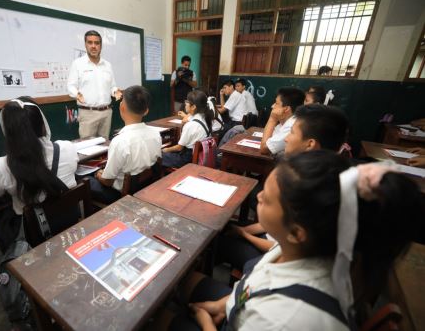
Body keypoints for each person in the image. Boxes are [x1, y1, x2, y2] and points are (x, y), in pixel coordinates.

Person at [167, 151, 422, 331]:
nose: (258, 198)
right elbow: (251, 286)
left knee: (165, 318)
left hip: (242, 319)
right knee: (177, 281)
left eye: (266, 199)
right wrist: (220, 306)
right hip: (241, 309)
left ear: (297, 232)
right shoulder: (297, 250)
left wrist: (206, 322)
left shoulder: (286, 319)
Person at [222, 104, 350, 271]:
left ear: (310, 144)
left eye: (292, 133)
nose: (286, 138)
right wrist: (243, 229)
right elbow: (278, 219)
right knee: (225, 230)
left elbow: (281, 249)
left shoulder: (314, 188)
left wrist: (244, 235)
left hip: (276, 258)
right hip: (272, 238)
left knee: (218, 241)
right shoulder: (316, 172)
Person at [0, 96, 78, 252]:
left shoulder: (0, 166)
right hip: (70, 219)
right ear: (42, 123)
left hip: (35, 233)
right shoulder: (67, 148)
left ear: (8, 130)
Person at [89, 86, 161, 204]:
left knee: (86, 180)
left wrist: (98, 174)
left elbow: (108, 182)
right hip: (145, 188)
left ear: (122, 107)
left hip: (122, 196)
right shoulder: (155, 134)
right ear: (146, 110)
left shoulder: (119, 141)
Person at [67, 30, 122, 139]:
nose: (93, 46)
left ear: (101, 46)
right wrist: (77, 94)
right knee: (87, 147)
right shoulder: (78, 64)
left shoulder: (107, 65)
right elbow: (70, 86)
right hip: (87, 113)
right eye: (90, 42)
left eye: (97, 43)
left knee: (104, 146)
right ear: (85, 44)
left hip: (106, 113)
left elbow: (112, 86)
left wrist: (115, 91)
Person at [162, 90, 213, 168]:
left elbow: (179, 148)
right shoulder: (205, 118)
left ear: (193, 107)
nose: (185, 103)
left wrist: (165, 150)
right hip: (198, 156)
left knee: (158, 156)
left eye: (187, 101)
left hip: (187, 160)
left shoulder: (190, 125)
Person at [260, 87, 305, 156]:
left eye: (276, 103)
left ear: (286, 109)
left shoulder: (292, 125)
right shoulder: (286, 120)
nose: (272, 106)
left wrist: (272, 119)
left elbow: (264, 149)